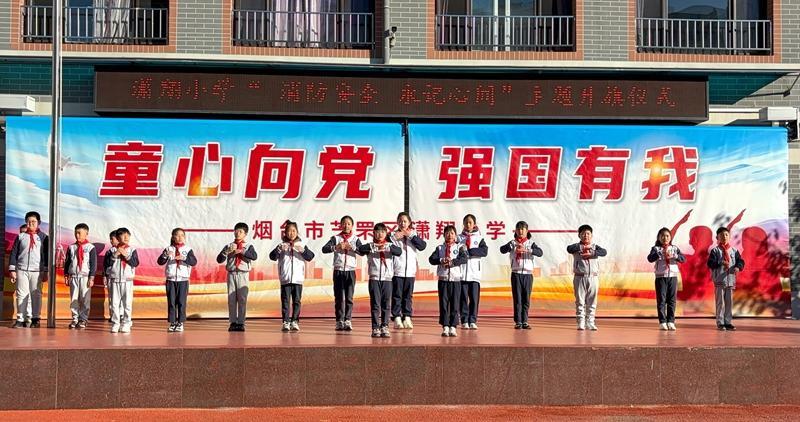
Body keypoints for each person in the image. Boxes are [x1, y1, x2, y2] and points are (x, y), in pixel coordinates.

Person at [269, 221, 315, 332]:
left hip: (298, 279)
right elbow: (272, 257)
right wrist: (279, 249)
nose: (291, 233)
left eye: (294, 231)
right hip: (285, 278)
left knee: (297, 301)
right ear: (285, 233)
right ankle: (285, 322)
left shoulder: (301, 245)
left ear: (297, 232)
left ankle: (295, 321)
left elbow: (310, 257)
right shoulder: (281, 245)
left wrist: (303, 251)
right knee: (285, 301)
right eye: (289, 231)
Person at [357, 223, 401, 338]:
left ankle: (385, 326)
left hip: (387, 280)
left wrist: (386, 247)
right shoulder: (370, 246)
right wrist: (375, 247)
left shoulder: (390, 245)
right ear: (374, 233)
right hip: (374, 279)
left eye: (382, 232)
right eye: (377, 232)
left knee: (386, 304)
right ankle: (375, 327)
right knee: (375, 304)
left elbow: (399, 252)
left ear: (386, 233)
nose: (380, 234)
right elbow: (360, 249)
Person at [499, 221, 543, 330]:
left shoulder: (530, 243)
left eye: (523, 229)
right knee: (517, 299)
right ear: (516, 231)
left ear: (527, 231)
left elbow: (540, 252)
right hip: (516, 274)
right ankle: (518, 321)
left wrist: (526, 249)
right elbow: (502, 250)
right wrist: (510, 246)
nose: (521, 231)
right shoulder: (512, 243)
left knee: (526, 299)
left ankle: (525, 321)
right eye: (518, 229)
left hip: (528, 275)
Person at [8, 211, 49, 328]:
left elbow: (46, 255)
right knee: (21, 294)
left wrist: (46, 271)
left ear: (39, 222)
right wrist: (12, 270)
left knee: (36, 294)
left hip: (37, 271)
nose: (31, 223)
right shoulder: (21, 236)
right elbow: (14, 253)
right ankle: (20, 319)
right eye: (28, 221)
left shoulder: (44, 237)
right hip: (22, 270)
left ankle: (35, 318)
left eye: (33, 221)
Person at [321, 215, 361, 331]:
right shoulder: (335, 238)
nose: (346, 226)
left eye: (348, 224)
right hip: (338, 271)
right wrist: (336, 247)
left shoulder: (355, 239)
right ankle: (339, 321)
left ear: (352, 226)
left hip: (350, 271)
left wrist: (352, 248)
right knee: (339, 297)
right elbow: (324, 249)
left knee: (349, 298)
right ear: (340, 225)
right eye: (344, 223)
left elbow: (363, 251)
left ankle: (348, 320)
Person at [216, 222, 257, 332]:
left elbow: (254, 256)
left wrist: (242, 251)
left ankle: (241, 322)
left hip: (243, 274)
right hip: (231, 274)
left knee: (242, 299)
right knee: (231, 299)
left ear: (245, 234)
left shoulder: (248, 246)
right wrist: (225, 252)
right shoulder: (229, 246)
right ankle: (233, 322)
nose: (238, 233)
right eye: (236, 231)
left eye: (241, 231)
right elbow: (219, 260)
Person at [390, 212, 427, 330]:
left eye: (405, 221)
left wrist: (409, 235)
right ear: (397, 222)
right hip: (397, 271)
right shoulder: (393, 235)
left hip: (410, 271)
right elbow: (386, 243)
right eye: (400, 221)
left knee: (408, 296)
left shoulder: (413, 234)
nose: (402, 223)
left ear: (409, 223)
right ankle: (396, 317)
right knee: (397, 295)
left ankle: (407, 317)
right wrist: (397, 236)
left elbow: (422, 246)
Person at [429, 225, 468, 337]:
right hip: (443, 280)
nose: (449, 235)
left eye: (452, 233)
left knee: (455, 304)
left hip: (456, 280)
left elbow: (464, 259)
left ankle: (453, 326)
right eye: (447, 233)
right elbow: (431, 259)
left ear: (455, 235)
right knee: (444, 304)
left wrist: (452, 262)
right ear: (443, 235)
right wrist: (441, 260)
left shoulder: (460, 247)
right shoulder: (440, 248)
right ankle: (445, 326)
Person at [566, 224, 607, 331]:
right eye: (583, 234)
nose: (586, 236)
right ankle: (581, 322)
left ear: (591, 235)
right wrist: (583, 247)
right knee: (580, 301)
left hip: (593, 277)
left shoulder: (595, 247)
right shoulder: (576, 247)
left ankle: (590, 322)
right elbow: (569, 249)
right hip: (580, 277)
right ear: (579, 235)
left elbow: (604, 252)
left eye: (588, 233)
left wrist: (592, 252)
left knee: (592, 302)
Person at [157, 228, 197, 333]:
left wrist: (184, 258)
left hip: (183, 280)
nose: (179, 237)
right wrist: (165, 255)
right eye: (177, 235)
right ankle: (172, 322)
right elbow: (160, 262)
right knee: (171, 302)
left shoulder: (188, 249)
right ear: (173, 237)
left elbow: (193, 262)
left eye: (181, 235)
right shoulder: (168, 249)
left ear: (184, 237)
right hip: (171, 280)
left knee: (181, 302)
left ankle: (180, 322)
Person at [646, 227, 685, 331]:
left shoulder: (674, 248)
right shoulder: (656, 249)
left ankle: (671, 321)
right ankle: (662, 322)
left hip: (672, 277)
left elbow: (683, 259)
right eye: (662, 236)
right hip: (661, 277)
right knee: (661, 300)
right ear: (659, 237)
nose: (665, 238)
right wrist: (659, 254)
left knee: (672, 300)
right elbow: (650, 258)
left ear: (670, 237)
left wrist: (675, 256)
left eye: (667, 236)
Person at [707, 227, 745, 331]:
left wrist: (738, 267)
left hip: (730, 280)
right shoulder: (715, 251)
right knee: (720, 303)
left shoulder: (734, 251)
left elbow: (740, 261)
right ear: (717, 238)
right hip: (719, 280)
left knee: (729, 302)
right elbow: (710, 263)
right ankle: (720, 322)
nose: (724, 237)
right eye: (721, 235)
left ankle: (728, 322)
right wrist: (720, 262)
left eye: (726, 234)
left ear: (729, 236)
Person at [105, 228, 139, 333]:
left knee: (127, 304)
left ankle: (126, 323)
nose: (126, 237)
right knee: (114, 304)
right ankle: (116, 323)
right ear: (118, 238)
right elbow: (107, 264)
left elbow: (135, 263)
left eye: (127, 235)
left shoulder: (132, 250)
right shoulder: (111, 251)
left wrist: (126, 255)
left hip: (127, 281)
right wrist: (115, 255)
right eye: (123, 236)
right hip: (115, 280)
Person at [63, 223, 97, 329]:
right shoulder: (71, 247)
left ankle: (83, 319)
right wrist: (66, 275)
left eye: (79, 233)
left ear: (86, 234)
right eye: (76, 233)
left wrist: (91, 278)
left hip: (85, 277)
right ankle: (75, 318)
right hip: (74, 276)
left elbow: (93, 264)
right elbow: (67, 262)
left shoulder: (90, 248)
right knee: (74, 299)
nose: (77, 235)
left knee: (85, 299)